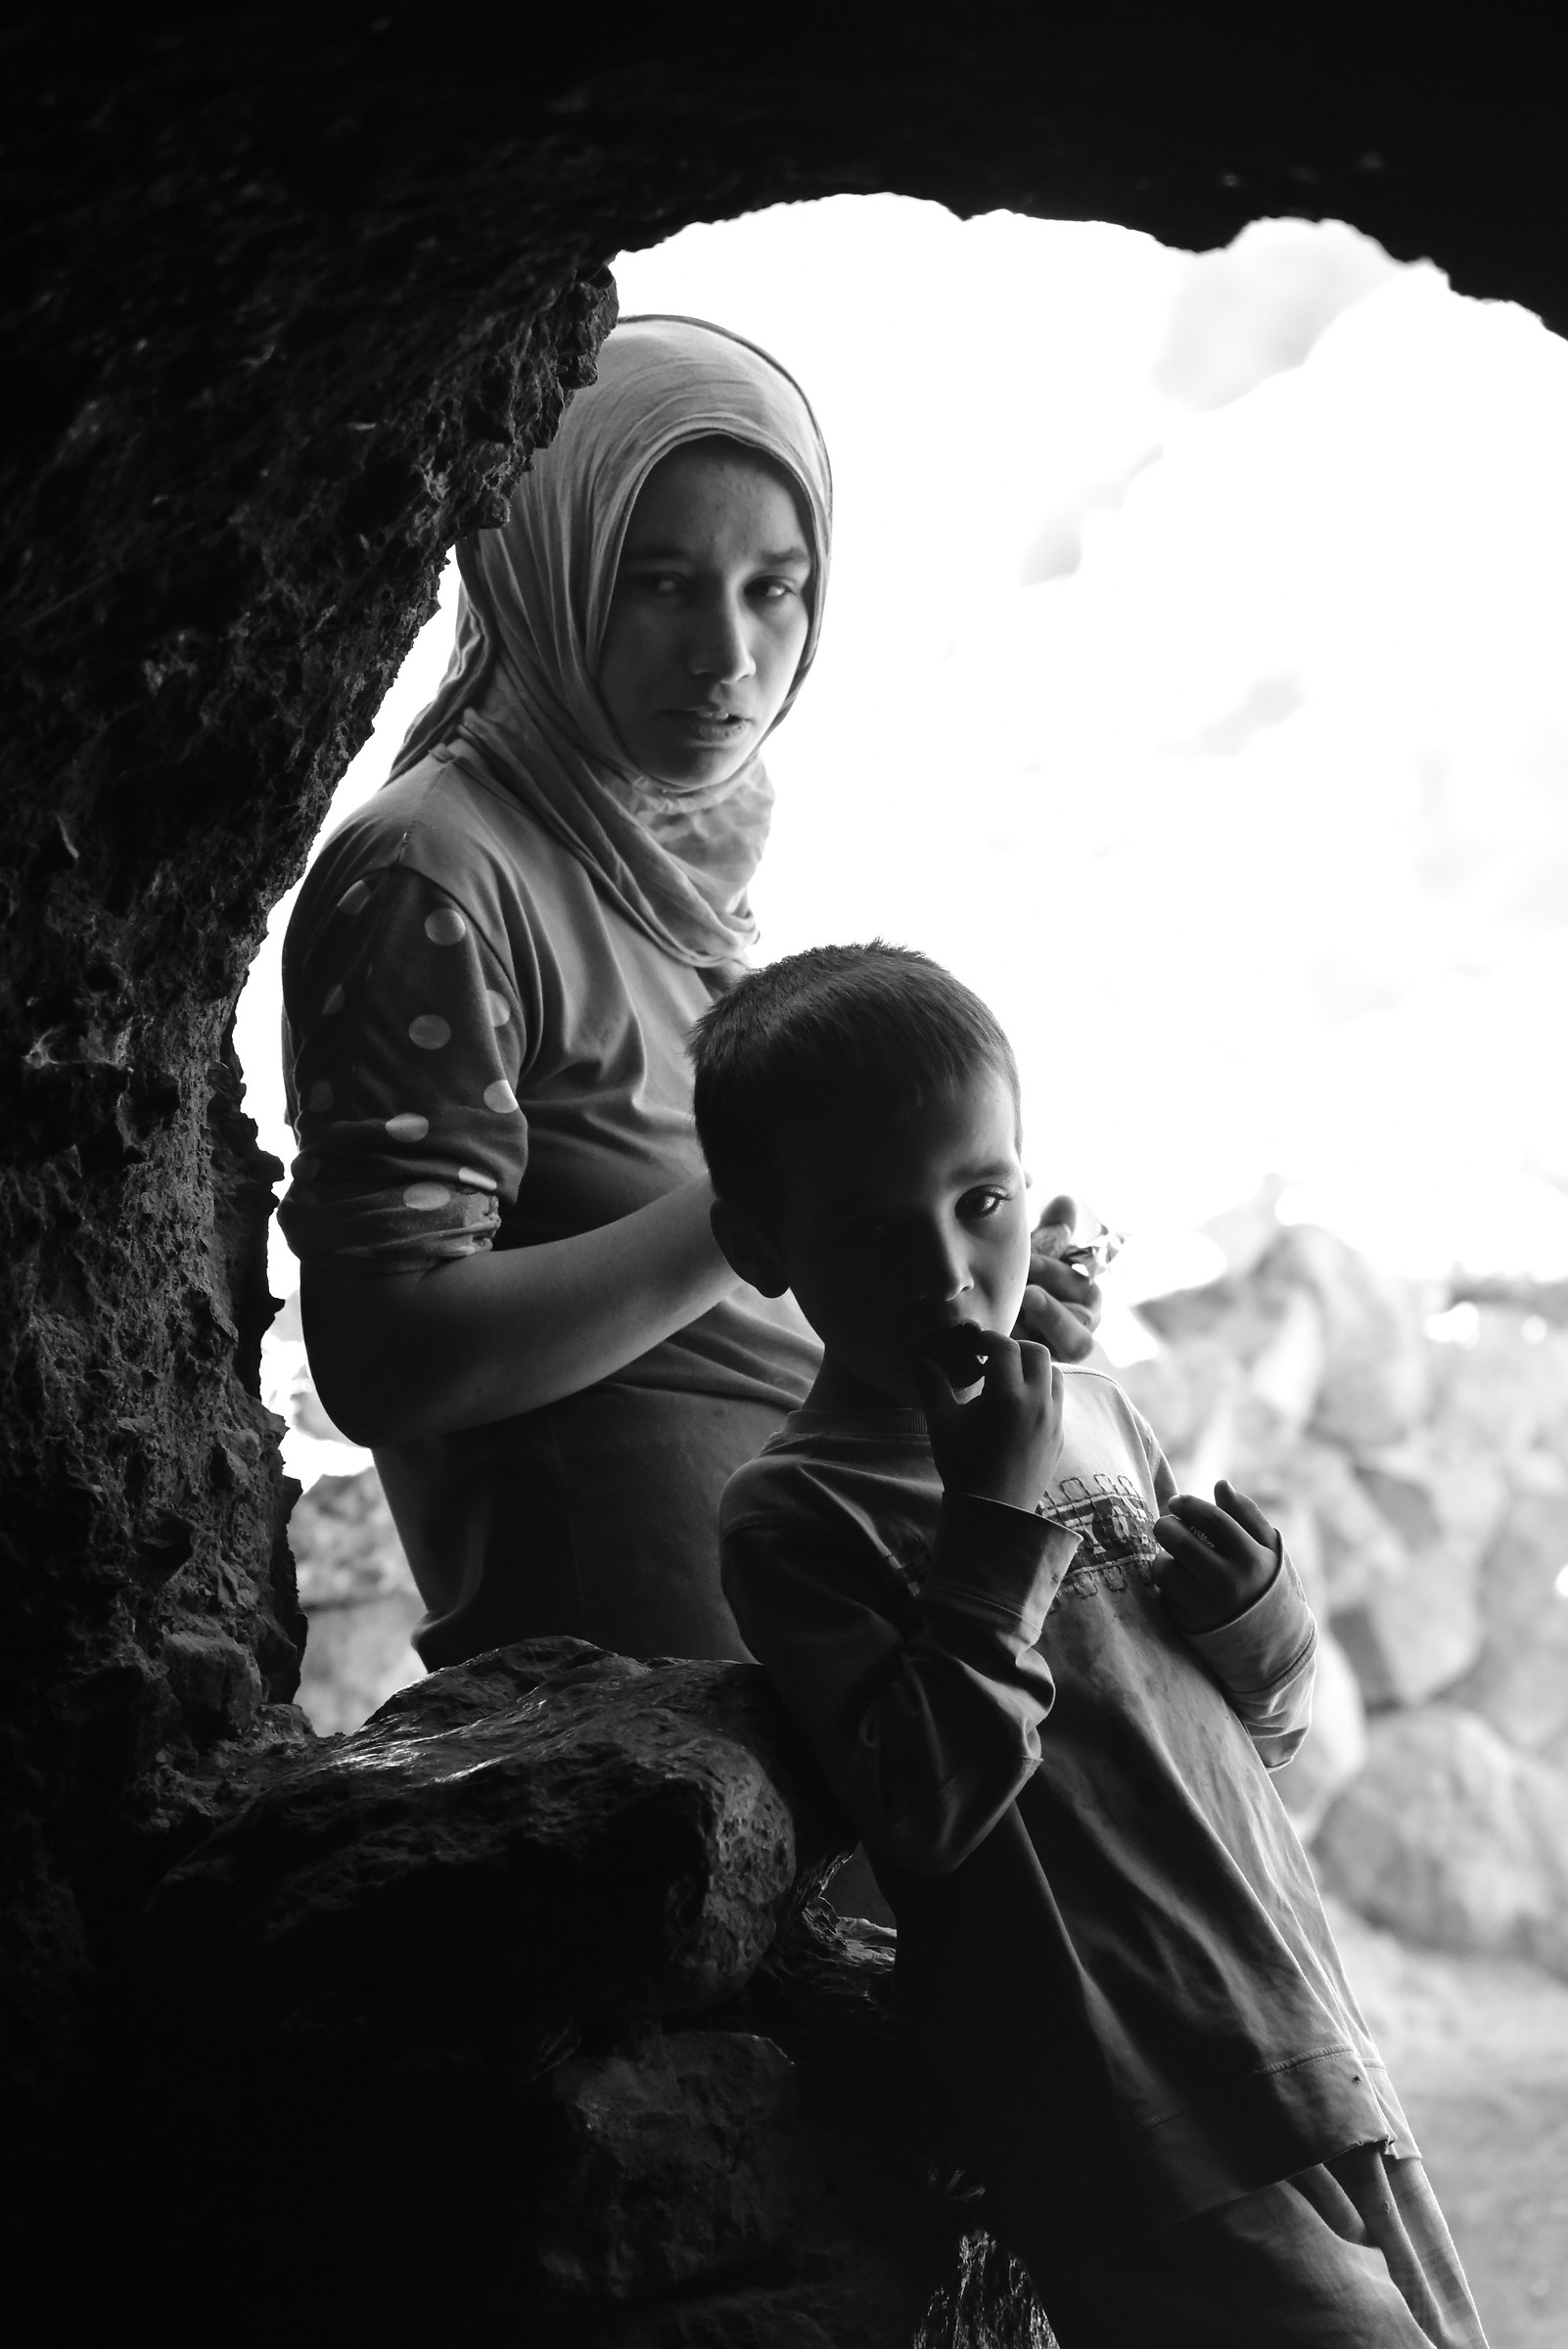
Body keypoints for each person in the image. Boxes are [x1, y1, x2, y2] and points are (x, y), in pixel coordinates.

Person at [695, 943, 1488, 2349]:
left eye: (981, 1200)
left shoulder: (1098, 1417)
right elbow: (925, 1813)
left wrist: (1256, 1619)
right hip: (1121, 2105)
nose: (948, 1271)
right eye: (873, 1233)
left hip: (1291, 2024)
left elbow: (1255, 1736)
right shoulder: (796, 1513)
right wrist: (989, 1517)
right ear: (760, 1247)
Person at [277, 315, 1099, 1670]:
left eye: (772, 589)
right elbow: (386, 1361)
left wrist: (952, 1271)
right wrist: (766, 1214)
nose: (726, 659)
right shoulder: (436, 874)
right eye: (659, 584)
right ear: (549, 567)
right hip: (649, 1666)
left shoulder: (669, 831)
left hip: (835, 1605)